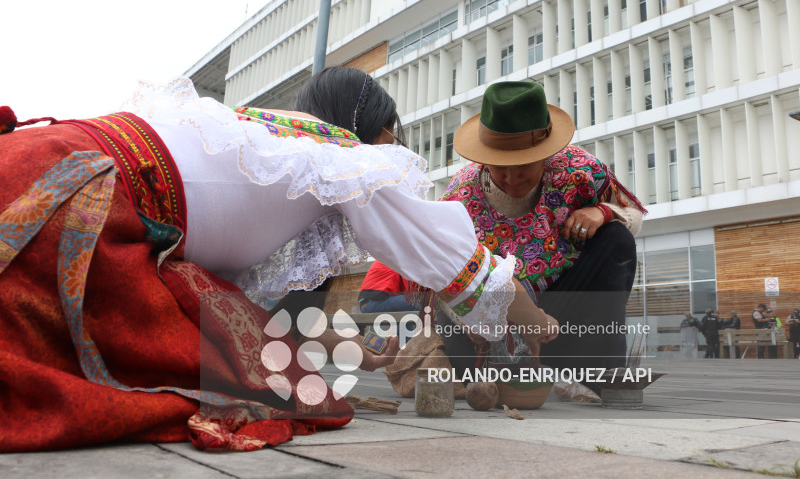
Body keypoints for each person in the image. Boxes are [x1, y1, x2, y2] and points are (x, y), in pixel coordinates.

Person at [0, 69, 555, 452]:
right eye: (389, 143)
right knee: (309, 399)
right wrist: (535, 317)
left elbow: (229, 301)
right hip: (76, 205)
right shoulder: (340, 155)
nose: (389, 158)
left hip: (41, 164)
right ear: (370, 131)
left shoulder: (253, 135)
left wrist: (350, 350)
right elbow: (447, 252)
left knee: (283, 374)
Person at [436, 81, 647, 378]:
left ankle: (598, 370)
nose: (511, 178)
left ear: (546, 155)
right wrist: (471, 319)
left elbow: (633, 214)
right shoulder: (459, 197)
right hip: (487, 318)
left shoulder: (579, 170)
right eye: (499, 166)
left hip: (558, 313)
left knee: (617, 239)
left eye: (523, 165)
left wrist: (602, 211)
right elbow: (441, 274)